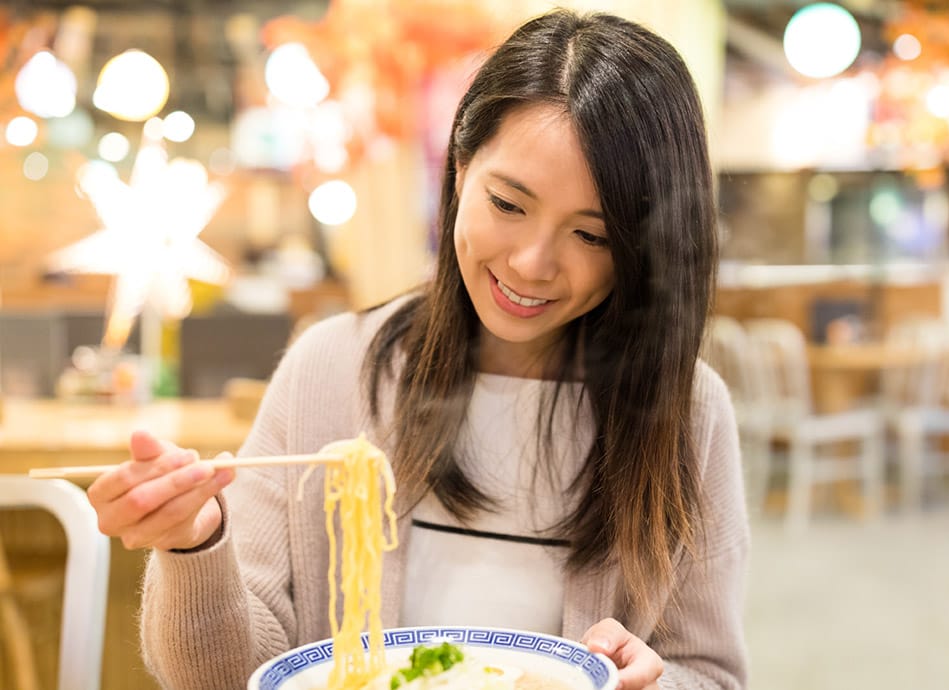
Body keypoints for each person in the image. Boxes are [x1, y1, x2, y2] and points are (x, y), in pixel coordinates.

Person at [87, 9, 749, 690]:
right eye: (509, 204)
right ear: (461, 168)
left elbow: (712, 674)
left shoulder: (687, 412)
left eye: (592, 236)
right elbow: (222, 680)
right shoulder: (330, 370)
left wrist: (653, 684)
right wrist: (194, 541)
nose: (531, 263)